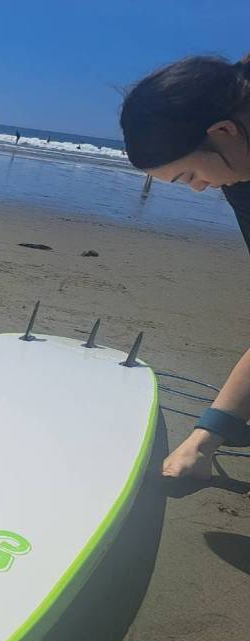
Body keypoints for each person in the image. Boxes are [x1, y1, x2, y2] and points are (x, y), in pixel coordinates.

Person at [121, 53, 250, 479]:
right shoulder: (240, 176)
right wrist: (204, 440)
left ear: (224, 131)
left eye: (188, 175)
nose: (199, 189)